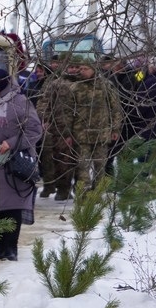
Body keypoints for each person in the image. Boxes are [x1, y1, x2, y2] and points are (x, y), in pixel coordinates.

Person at [0, 66, 43, 260]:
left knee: (12, 206)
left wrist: (12, 143)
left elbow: (35, 130)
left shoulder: (20, 103)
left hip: (14, 164)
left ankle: (10, 248)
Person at [37, 54, 122, 199]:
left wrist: (115, 128)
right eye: (79, 68)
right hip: (80, 134)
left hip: (101, 133)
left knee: (100, 167)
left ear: (93, 69)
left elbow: (115, 108)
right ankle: (82, 194)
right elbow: (67, 112)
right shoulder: (74, 87)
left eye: (84, 68)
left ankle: (97, 194)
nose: (80, 71)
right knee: (81, 166)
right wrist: (66, 132)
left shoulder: (105, 85)